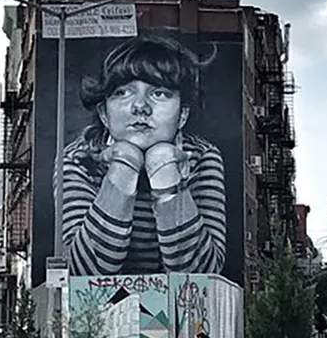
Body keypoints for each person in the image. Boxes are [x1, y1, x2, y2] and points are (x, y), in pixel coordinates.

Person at [59, 33, 227, 276]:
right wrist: (124, 166)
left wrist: (165, 174)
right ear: (104, 114)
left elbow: (200, 275)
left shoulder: (202, 158)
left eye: (158, 93)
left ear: (182, 115)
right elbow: (85, 272)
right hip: (97, 312)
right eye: (123, 92)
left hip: (179, 312)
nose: (140, 106)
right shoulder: (77, 159)